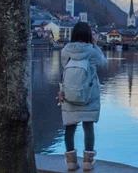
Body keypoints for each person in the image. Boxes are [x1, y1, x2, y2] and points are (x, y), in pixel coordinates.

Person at [59, 22, 107, 171]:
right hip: (89, 95)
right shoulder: (92, 51)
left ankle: (71, 163)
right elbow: (103, 64)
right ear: (88, 35)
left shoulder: (65, 50)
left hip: (69, 93)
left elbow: (64, 68)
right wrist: (95, 45)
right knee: (88, 126)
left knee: (69, 127)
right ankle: (87, 162)